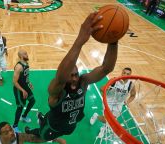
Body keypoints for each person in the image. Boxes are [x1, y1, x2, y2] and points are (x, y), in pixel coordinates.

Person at [25, 12, 118, 141]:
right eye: (71, 76)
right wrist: (79, 41)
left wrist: (113, 41)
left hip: (70, 127)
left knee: (60, 132)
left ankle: (42, 120)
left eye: (76, 74)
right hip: (52, 128)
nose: (74, 78)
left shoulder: (83, 81)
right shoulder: (56, 91)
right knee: (41, 137)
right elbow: (61, 78)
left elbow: (106, 68)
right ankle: (35, 129)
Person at [90, 67, 136, 138]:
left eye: (128, 74)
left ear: (130, 75)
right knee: (106, 119)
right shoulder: (114, 80)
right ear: (121, 73)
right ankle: (96, 116)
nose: (125, 75)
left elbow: (133, 95)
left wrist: (127, 101)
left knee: (112, 120)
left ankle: (103, 128)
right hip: (108, 101)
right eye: (124, 73)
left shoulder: (131, 85)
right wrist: (105, 88)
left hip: (119, 104)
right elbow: (101, 89)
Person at [12, 50, 36, 133]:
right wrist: (22, 91)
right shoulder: (19, 67)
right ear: (21, 56)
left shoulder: (26, 64)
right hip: (19, 89)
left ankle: (24, 116)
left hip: (25, 87)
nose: (27, 54)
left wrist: (29, 82)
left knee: (32, 101)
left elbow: (26, 76)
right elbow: (14, 82)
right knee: (20, 107)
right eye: (25, 54)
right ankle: (14, 126)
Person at [0, 121, 66, 144]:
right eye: (6, 133)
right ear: (0, 135)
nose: (11, 133)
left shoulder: (20, 137)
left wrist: (56, 139)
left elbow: (36, 139)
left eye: (11, 129)